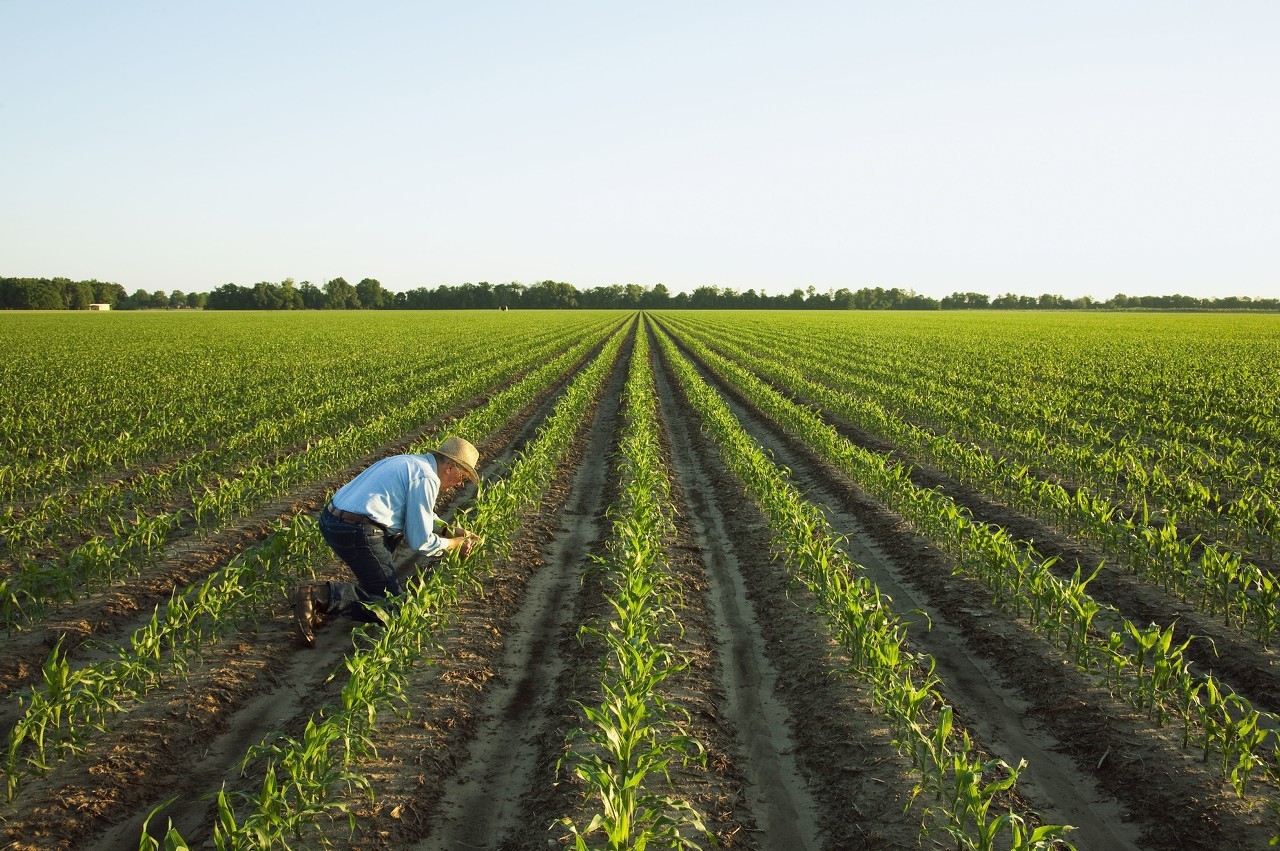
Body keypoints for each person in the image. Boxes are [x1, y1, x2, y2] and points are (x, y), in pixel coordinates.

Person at [293, 435, 483, 646]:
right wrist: (453, 544)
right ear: (450, 468)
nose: (459, 484)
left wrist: (448, 529)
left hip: (332, 520)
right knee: (395, 608)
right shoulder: (427, 478)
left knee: (383, 573)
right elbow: (420, 541)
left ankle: (366, 589)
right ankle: (320, 596)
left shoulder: (411, 463)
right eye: (462, 477)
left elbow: (416, 511)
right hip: (356, 530)